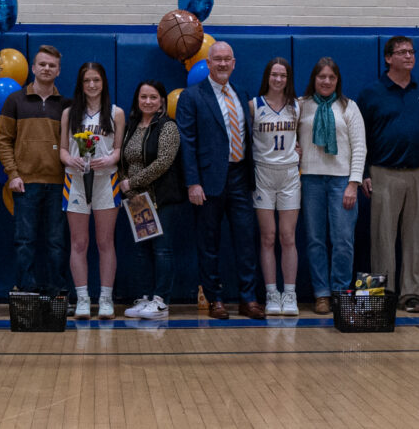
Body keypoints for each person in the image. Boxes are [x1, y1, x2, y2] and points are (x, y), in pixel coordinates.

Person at [177, 41, 265, 320]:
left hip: (240, 176)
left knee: (245, 242)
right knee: (208, 243)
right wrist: (193, 182)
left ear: (234, 63)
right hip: (207, 181)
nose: (223, 64)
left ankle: (248, 299)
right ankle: (215, 299)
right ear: (209, 63)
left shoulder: (242, 94)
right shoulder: (192, 96)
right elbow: (187, 143)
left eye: (228, 59)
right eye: (218, 59)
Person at [356, 36, 419, 313]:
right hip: (383, 172)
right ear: (388, 58)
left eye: (411, 51)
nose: (408, 56)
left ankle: (411, 294)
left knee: (415, 237)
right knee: (382, 237)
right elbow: (360, 137)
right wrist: (364, 172)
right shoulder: (371, 93)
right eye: (402, 52)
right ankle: (381, 294)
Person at [298, 57, 366, 315]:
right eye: (321, 77)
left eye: (331, 77)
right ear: (314, 79)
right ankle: (321, 294)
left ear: (338, 81)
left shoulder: (349, 107)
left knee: (343, 241)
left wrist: (353, 183)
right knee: (315, 240)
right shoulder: (301, 106)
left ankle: (339, 291)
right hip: (310, 180)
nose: (326, 81)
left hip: (341, 182)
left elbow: (360, 148)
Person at [0, 45, 69, 292]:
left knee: (57, 242)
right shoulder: (15, 100)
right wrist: (13, 174)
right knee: (24, 242)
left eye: (52, 65)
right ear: (33, 68)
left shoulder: (66, 105)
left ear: (59, 71)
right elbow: (4, 140)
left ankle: (57, 293)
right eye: (42, 64)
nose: (47, 69)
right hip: (25, 183)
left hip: (59, 184)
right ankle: (26, 292)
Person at [58, 62, 126, 319]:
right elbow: (63, 149)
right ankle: (83, 298)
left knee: (105, 241)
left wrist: (110, 160)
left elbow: (119, 150)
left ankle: (106, 299)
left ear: (103, 82)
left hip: (106, 180)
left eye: (96, 80)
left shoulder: (115, 113)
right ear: (80, 83)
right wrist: (69, 159)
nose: (92, 85)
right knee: (79, 242)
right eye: (87, 80)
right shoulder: (69, 113)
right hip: (75, 180)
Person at [118, 80, 185, 320]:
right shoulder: (132, 126)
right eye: (144, 97)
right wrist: (127, 185)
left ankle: (161, 301)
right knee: (142, 251)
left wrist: (132, 182)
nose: (148, 101)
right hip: (137, 200)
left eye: (153, 97)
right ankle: (144, 297)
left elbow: (163, 163)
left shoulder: (168, 127)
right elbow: (124, 160)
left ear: (161, 102)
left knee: (162, 251)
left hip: (161, 198)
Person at [250, 57, 301, 316]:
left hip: (290, 174)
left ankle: (289, 293)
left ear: (288, 79)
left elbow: (302, 140)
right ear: (267, 77)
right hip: (263, 174)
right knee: (268, 237)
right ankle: (272, 293)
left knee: (288, 237)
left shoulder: (297, 106)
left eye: (283, 75)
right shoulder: (254, 106)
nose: (278, 79)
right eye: (274, 75)